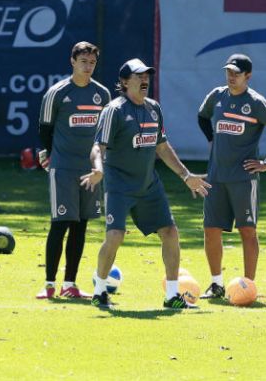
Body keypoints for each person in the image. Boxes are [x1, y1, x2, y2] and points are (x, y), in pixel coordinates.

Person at [81, 58, 211, 309]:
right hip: (119, 185)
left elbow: (162, 147)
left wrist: (186, 176)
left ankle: (172, 296)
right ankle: (100, 291)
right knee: (115, 236)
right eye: (138, 75)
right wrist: (97, 168)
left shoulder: (154, 108)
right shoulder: (114, 110)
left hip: (148, 185)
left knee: (170, 233)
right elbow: (98, 146)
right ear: (124, 81)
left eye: (146, 75)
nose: (144, 79)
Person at [197, 53, 266, 299]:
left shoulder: (256, 103)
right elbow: (202, 116)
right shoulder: (217, 96)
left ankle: (248, 286)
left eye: (237, 73)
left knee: (247, 231)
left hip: (243, 179)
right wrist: (211, 139)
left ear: (248, 76)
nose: (231, 77)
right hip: (215, 176)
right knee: (211, 229)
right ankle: (216, 285)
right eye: (228, 72)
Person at [35, 41, 111, 300]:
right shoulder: (56, 93)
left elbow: (104, 133)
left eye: (92, 62)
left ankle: (70, 284)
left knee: (80, 225)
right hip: (63, 168)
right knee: (60, 224)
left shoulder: (102, 94)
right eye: (83, 62)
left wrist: (101, 163)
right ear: (72, 61)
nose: (88, 67)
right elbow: (45, 128)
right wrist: (49, 153)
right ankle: (48, 284)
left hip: (90, 171)